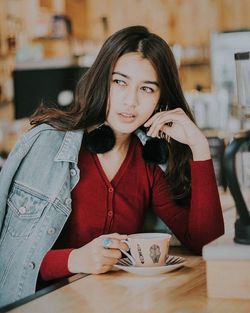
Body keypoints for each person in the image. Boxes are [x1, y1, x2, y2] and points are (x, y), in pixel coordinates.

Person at [0, 25, 224, 306]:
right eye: (119, 82)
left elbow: (208, 245)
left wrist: (199, 147)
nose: (130, 101)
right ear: (100, 80)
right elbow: (9, 258)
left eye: (146, 88)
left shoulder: (149, 162)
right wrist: (75, 259)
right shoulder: (46, 146)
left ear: (160, 100)